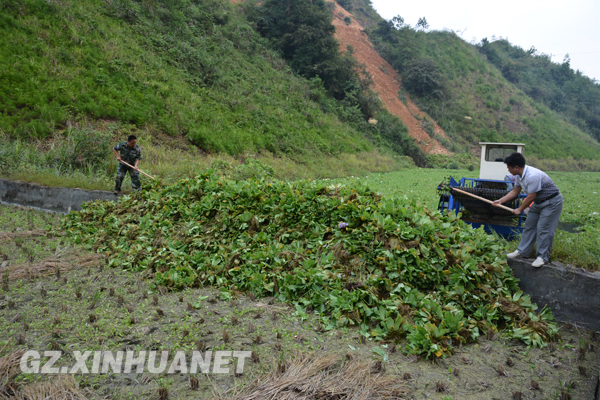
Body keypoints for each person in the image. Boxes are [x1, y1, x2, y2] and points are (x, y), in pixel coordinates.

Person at [492, 152, 563, 268]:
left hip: (552, 202)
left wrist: (519, 209)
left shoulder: (532, 175)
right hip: (539, 202)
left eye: (509, 168)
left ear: (516, 167)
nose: (508, 170)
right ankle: (522, 251)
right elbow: (515, 191)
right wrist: (500, 201)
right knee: (529, 225)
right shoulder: (519, 176)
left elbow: (531, 196)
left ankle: (542, 257)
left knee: (544, 228)